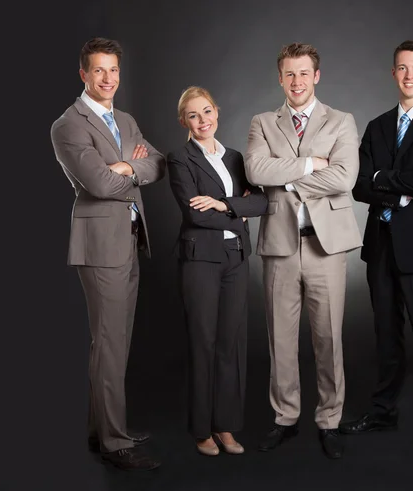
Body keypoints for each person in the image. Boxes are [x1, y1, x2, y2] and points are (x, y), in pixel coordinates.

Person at [342, 40, 413, 468]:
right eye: (402, 68)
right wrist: (398, 183)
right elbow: (358, 185)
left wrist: (382, 178)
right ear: (393, 74)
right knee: (386, 338)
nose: (409, 75)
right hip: (382, 247)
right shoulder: (376, 125)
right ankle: (382, 413)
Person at [50, 37, 165, 470]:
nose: (108, 79)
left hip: (129, 240)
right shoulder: (69, 124)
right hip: (101, 247)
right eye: (98, 70)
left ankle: (102, 429)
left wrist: (127, 166)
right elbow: (98, 184)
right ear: (83, 73)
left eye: (113, 70)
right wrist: (130, 170)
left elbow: (158, 162)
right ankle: (116, 443)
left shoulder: (126, 120)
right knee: (110, 343)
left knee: (113, 341)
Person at [244, 42, 362, 459]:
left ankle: (329, 419)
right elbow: (256, 170)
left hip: (325, 248)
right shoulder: (262, 121)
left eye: (303, 73)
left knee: (329, 339)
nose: (296, 81)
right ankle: (285, 417)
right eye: (289, 74)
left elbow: (346, 176)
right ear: (280, 78)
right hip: (279, 246)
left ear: (317, 76)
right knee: (280, 338)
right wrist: (313, 165)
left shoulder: (341, 120)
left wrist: (287, 179)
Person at [167, 86, 268, 457]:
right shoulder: (180, 159)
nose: (202, 120)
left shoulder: (236, 157)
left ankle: (226, 425)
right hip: (200, 259)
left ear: (217, 112)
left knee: (231, 344)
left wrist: (223, 203)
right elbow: (194, 213)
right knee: (203, 342)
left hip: (235, 256)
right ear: (184, 122)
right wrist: (235, 209)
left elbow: (261, 202)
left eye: (207, 111)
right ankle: (201, 429)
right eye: (193, 115)